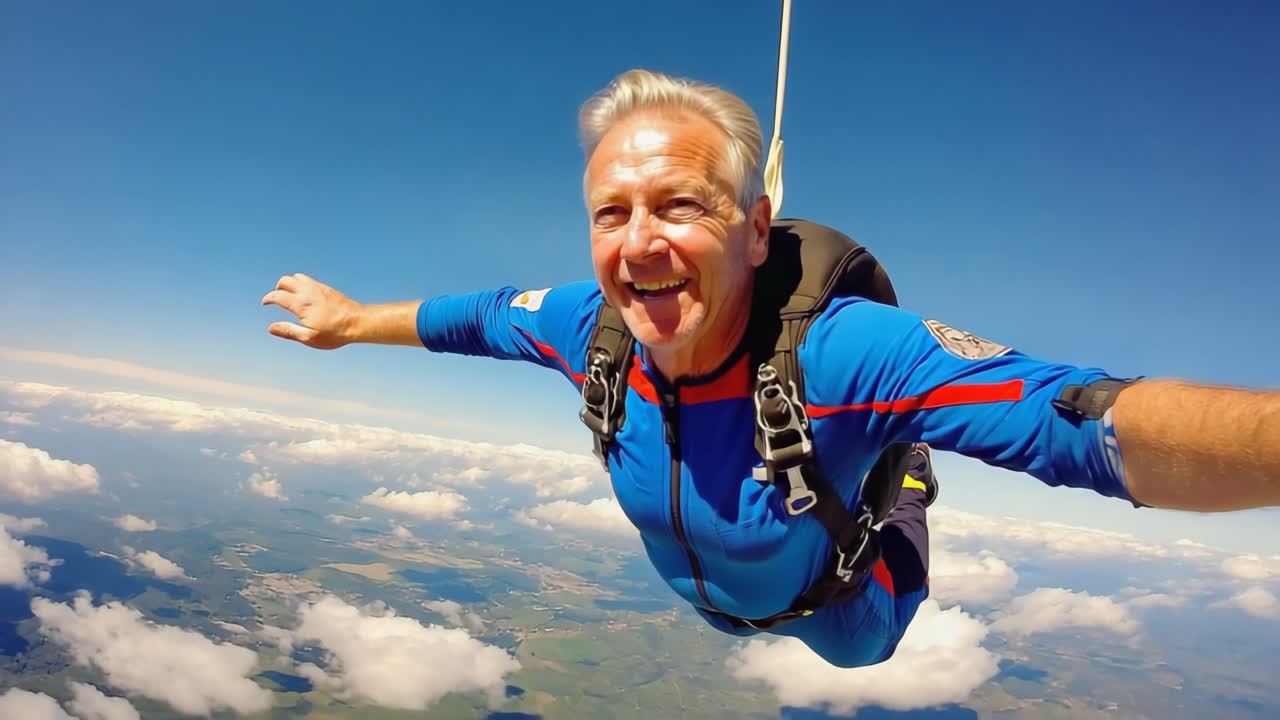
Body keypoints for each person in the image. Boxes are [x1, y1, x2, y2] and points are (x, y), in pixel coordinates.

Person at [262, 69, 1279, 667]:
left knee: (866, 643)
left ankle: (905, 470)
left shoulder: (842, 352)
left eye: (678, 205)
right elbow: (475, 317)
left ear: (753, 230)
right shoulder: (590, 328)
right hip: (711, 596)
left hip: (836, 604)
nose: (639, 242)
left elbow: (1083, 420)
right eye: (610, 213)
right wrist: (354, 324)